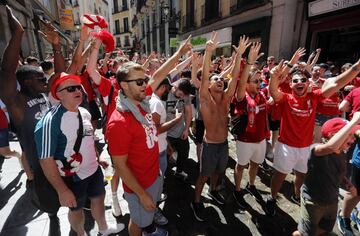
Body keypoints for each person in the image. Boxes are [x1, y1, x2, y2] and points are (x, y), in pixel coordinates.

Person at [107, 37, 192, 236]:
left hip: (153, 175)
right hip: (139, 186)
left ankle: (150, 226)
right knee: (137, 222)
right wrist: (142, 194)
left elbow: (160, 74)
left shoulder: (140, 100)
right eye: (140, 81)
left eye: (145, 80)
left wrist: (178, 55)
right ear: (124, 86)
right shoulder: (119, 122)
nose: (146, 84)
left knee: (147, 216)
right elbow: (120, 166)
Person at [266, 55, 360, 216]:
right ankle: (272, 197)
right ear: (290, 84)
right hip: (286, 146)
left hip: (305, 148)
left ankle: (297, 195)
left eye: (302, 79)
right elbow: (274, 92)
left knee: (302, 175)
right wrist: (273, 77)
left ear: (308, 83)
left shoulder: (314, 97)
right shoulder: (286, 98)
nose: (299, 82)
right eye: (295, 81)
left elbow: (337, 82)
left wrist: (358, 66)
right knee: (280, 176)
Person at [34, 72, 124, 236]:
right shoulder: (50, 121)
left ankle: (103, 229)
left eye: (78, 87)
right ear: (58, 94)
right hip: (72, 177)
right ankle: (81, 234)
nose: (77, 91)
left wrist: (97, 159)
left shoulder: (84, 112)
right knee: (76, 210)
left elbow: (87, 139)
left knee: (98, 199)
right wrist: (62, 190)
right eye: (70, 89)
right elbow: (45, 160)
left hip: (93, 170)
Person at [0, 6, 59, 235]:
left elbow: (61, 76)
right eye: (38, 77)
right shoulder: (17, 104)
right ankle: (53, 218)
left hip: (60, 159)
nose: (44, 79)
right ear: (25, 83)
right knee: (52, 207)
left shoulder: (44, 94)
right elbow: (6, 70)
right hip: (42, 169)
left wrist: (55, 45)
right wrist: (18, 33)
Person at [190, 33, 253, 221]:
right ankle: (196, 201)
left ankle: (214, 189)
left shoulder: (226, 99)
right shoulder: (205, 99)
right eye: (215, 78)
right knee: (203, 175)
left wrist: (240, 56)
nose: (219, 80)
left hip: (224, 145)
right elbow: (206, 76)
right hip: (209, 146)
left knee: (219, 172)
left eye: (220, 79)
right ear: (208, 85)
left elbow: (234, 78)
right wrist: (208, 53)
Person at [292, 116, 360, 236]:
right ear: (333, 135)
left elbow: (336, 172)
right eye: (349, 135)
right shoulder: (316, 150)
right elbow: (330, 147)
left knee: (324, 228)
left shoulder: (341, 153)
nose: (353, 139)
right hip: (313, 202)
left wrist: (346, 183)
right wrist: (354, 121)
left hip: (332, 200)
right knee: (305, 233)